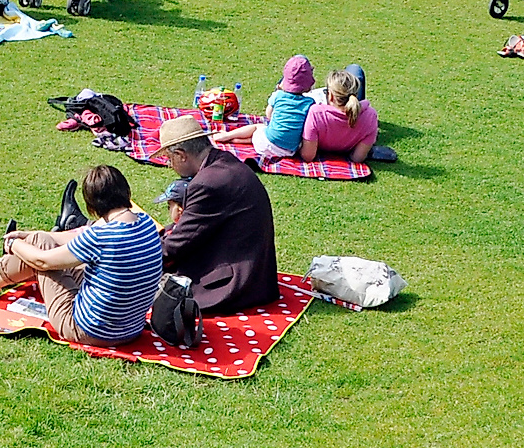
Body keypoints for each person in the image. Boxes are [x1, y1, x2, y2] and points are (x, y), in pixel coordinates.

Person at [0, 165, 166, 345]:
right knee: (43, 241)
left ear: (92, 206)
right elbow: (78, 237)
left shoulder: (103, 237)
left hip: (87, 330)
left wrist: (14, 243)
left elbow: (43, 261)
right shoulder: (145, 223)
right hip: (130, 330)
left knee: (40, 251)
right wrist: (34, 235)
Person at [152, 115, 280, 314]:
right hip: (257, 274)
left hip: (234, 284)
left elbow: (177, 245)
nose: (170, 165)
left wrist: (136, 255)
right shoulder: (223, 162)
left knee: (143, 284)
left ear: (181, 155)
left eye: (170, 159)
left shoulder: (207, 183)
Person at [210, 55, 317, 161]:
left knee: (258, 127)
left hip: (266, 144)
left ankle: (227, 136)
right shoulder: (310, 103)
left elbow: (268, 114)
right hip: (289, 150)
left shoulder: (278, 96)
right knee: (269, 135)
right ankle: (238, 140)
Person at [300, 68, 379, 162]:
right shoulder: (370, 116)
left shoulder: (317, 113)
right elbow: (357, 158)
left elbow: (308, 156)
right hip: (354, 135)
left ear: (330, 96)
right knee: (355, 69)